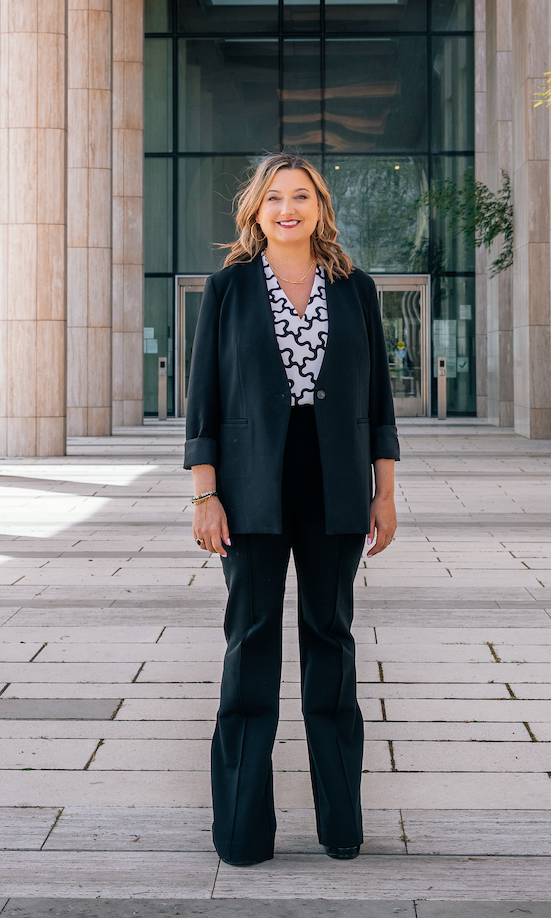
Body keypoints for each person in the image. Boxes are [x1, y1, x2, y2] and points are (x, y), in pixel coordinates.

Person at [184, 151, 399, 868]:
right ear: (255, 209)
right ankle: (243, 832)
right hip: (249, 489)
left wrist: (386, 491)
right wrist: (205, 494)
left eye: (300, 196)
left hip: (335, 483)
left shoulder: (356, 288)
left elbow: (377, 405)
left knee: (330, 646)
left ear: (319, 207)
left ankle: (341, 825)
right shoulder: (228, 289)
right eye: (274, 197)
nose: (287, 208)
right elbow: (204, 403)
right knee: (249, 646)